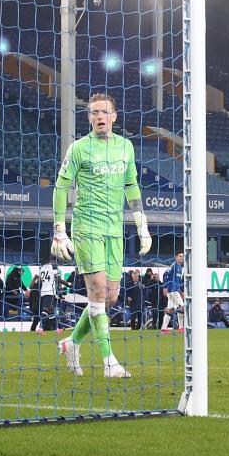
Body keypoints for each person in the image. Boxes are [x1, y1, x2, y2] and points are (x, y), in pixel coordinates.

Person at [51, 93, 150, 378]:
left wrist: (141, 223)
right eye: (94, 113)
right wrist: (60, 230)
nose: (99, 117)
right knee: (97, 291)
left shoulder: (126, 147)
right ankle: (109, 363)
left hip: (114, 230)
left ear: (114, 116)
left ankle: (72, 342)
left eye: (104, 112)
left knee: (111, 297)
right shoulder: (79, 148)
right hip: (87, 228)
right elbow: (61, 188)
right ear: (89, 118)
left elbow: (131, 185)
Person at [160, 251, 185, 333]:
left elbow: (179, 281)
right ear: (176, 257)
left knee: (170, 310)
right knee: (182, 308)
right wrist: (165, 287)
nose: (181, 258)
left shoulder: (180, 268)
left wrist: (182, 291)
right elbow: (165, 275)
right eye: (180, 256)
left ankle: (164, 329)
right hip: (172, 290)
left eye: (182, 256)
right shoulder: (173, 266)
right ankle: (181, 328)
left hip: (176, 291)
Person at [33, 259, 61, 332]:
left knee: (50, 310)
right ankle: (40, 328)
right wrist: (67, 284)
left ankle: (56, 329)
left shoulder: (42, 267)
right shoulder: (54, 267)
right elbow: (58, 279)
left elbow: (38, 279)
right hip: (50, 292)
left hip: (43, 292)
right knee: (46, 309)